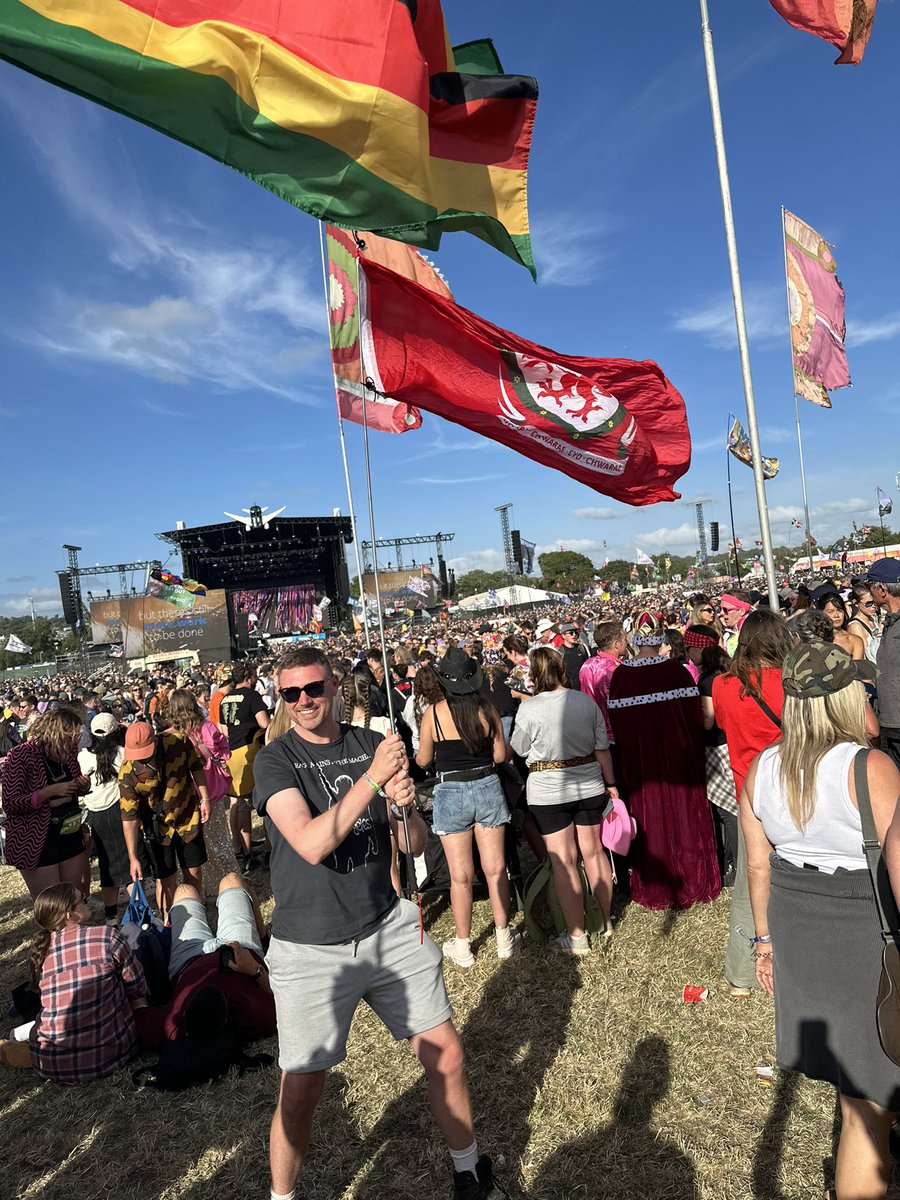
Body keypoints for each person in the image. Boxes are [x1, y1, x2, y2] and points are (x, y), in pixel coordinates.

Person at [252, 646, 505, 1200]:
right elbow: (313, 844)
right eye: (289, 693)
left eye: (313, 689)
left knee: (448, 1053)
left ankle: (468, 1174)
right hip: (310, 946)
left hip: (388, 926)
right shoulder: (275, 760)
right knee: (302, 1089)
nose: (302, 702)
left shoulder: (371, 745)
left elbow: (414, 844)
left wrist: (405, 807)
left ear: (334, 686)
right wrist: (372, 781)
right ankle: (281, 1196)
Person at [742, 641, 899, 1200]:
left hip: (797, 927)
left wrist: (764, 944)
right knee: (869, 1098)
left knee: (856, 1073)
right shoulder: (870, 767)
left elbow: (757, 867)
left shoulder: (760, 769)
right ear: (846, 697)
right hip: (864, 930)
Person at [416, 648, 519, 967]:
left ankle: (463, 945)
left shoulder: (433, 714)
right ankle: (503, 936)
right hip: (487, 785)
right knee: (495, 868)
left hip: (451, 791)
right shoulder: (486, 708)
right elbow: (501, 757)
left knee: (459, 876)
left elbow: (422, 760)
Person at [608, 618, 720, 910]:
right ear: (659, 639)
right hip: (678, 761)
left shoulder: (621, 677)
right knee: (683, 813)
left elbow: (618, 729)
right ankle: (693, 878)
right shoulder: (676, 671)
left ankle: (656, 883)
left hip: (642, 765)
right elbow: (694, 719)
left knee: (650, 817)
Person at [511, 647, 616, 954]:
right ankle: (605, 920)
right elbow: (601, 747)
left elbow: (518, 747)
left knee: (564, 861)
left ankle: (577, 935)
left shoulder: (529, 709)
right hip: (588, 783)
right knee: (594, 853)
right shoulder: (585, 701)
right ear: (561, 670)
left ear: (534, 675)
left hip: (548, 790)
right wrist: (611, 784)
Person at [712, 610, 794, 996]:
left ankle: (742, 976)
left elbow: (726, 727)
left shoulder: (723, 685)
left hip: (751, 791)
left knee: (750, 884)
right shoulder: (793, 682)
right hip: (795, 785)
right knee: (800, 879)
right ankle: (795, 964)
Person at [19, 883, 149, 1084]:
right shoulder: (106, 936)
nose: (87, 901)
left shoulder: (38, 954)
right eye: (83, 899)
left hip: (50, 1064)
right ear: (69, 915)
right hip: (110, 1054)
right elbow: (137, 987)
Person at [118, 719, 210, 918]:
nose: (143, 760)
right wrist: (133, 858)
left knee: (193, 872)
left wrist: (205, 799)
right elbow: (129, 818)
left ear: (156, 742)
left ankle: (196, 914)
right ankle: (168, 920)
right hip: (158, 830)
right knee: (164, 879)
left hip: (187, 818)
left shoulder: (178, 742)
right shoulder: (127, 772)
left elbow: (196, 768)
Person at [1, 706, 92, 899]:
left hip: (69, 832)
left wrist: (82, 785)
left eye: (76, 737)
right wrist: (47, 793)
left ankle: (72, 930)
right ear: (54, 734)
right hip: (36, 839)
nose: (74, 742)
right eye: (69, 737)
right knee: (52, 905)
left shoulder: (68, 754)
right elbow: (10, 803)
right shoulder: (21, 755)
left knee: (71, 900)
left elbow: (73, 783)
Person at [78, 712, 148, 925]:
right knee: (132, 858)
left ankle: (111, 916)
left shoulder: (83, 756)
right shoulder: (123, 753)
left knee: (107, 863)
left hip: (96, 816)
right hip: (122, 811)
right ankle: (140, 912)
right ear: (116, 730)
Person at [166, 687, 237, 893]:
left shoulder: (171, 736)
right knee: (218, 841)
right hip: (210, 791)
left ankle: (196, 886)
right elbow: (223, 751)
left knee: (192, 846)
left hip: (186, 794)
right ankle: (225, 883)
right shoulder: (206, 727)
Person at [689, 626, 736, 887]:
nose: (687, 654)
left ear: (699, 649)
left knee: (727, 810)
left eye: (689, 649)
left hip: (717, 748)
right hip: (731, 742)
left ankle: (736, 865)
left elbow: (707, 721)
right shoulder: (728, 671)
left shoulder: (707, 681)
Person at [220, 662, 270, 871]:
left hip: (231, 753)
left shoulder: (225, 699)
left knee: (239, 803)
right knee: (256, 803)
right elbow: (265, 723)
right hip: (249, 752)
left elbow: (223, 729)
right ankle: (261, 849)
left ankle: (243, 851)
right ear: (249, 677)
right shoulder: (252, 696)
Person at [867, 559, 900, 771]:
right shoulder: (890, 622)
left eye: (870, 585)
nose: (868, 591)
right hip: (890, 723)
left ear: (882, 588)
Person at [579, 621, 627, 750]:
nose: (627, 643)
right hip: (615, 735)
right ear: (616, 645)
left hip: (593, 733)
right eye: (625, 640)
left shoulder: (587, 665)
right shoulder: (618, 670)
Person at [812, 585, 865, 659]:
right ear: (821, 614)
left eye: (839, 610)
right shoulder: (814, 639)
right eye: (830, 612)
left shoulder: (854, 640)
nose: (836, 615)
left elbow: (858, 667)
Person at [719, 591, 752, 657]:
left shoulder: (753, 631)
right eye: (720, 609)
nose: (721, 613)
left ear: (741, 611)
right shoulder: (727, 634)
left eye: (725, 610)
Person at [559, 622, 588, 689]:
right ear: (563, 636)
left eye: (576, 632)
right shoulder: (560, 652)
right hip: (569, 689)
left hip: (583, 687)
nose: (574, 635)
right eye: (571, 633)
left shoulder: (581, 648)